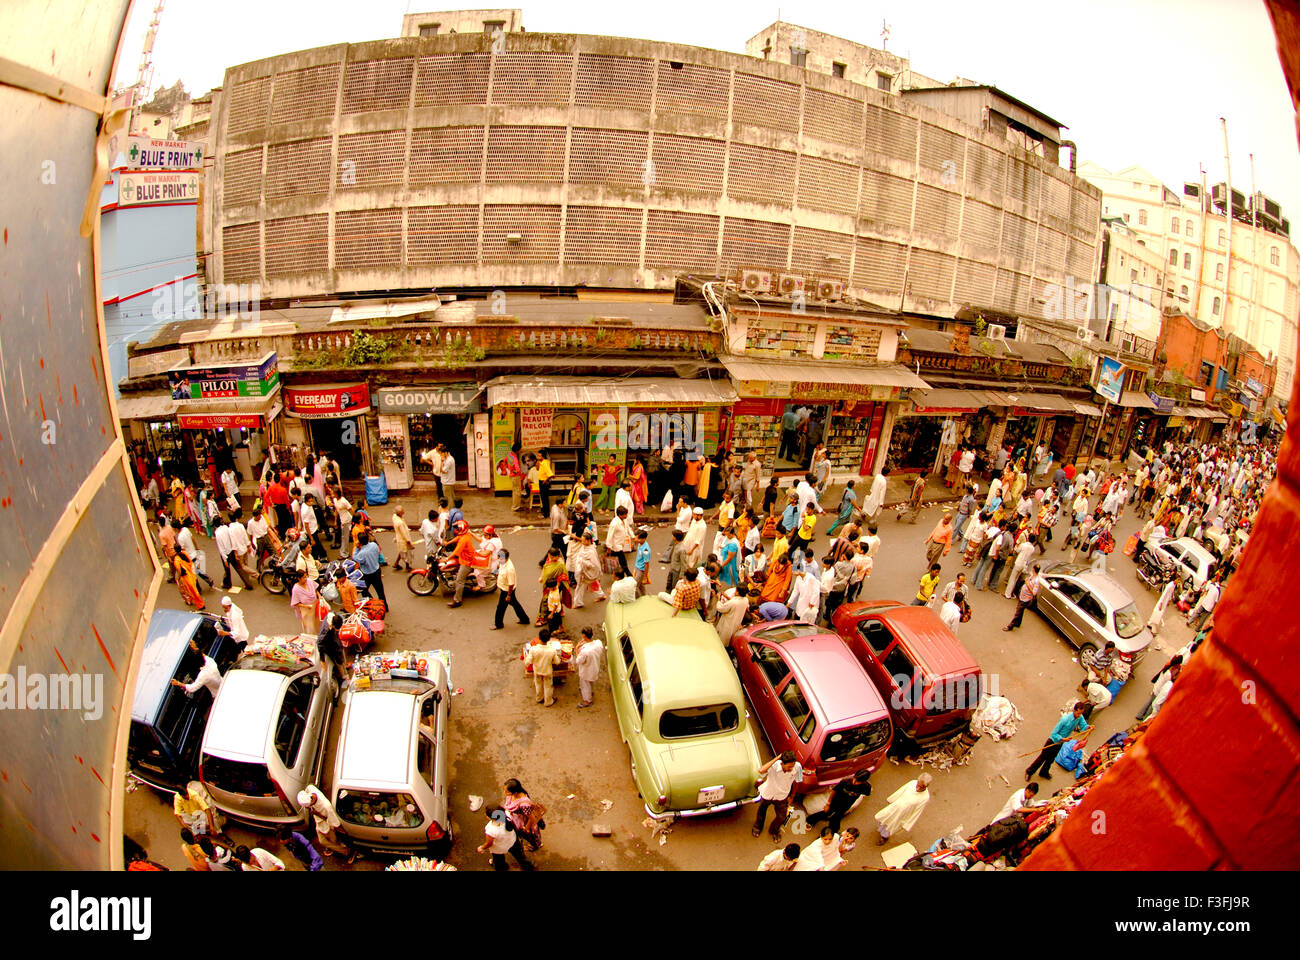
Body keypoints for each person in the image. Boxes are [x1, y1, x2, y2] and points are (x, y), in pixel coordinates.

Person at [1025, 702, 1090, 780]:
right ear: (1074, 710)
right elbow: (1054, 734)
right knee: (1042, 758)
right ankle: (1029, 772)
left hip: (1060, 743)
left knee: (1051, 759)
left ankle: (1043, 772)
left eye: (1081, 714)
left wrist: (1088, 727)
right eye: (1078, 713)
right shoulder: (1065, 719)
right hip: (1052, 741)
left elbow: (1083, 726)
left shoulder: (1079, 717)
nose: (1079, 715)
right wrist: (1063, 739)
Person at [752, 751, 805, 841]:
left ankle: (774, 830)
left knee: (782, 817)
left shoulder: (798, 767)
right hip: (768, 794)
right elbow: (761, 770)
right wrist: (777, 758)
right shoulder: (775, 765)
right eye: (789, 767)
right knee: (762, 811)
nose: (791, 768)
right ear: (782, 763)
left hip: (782, 796)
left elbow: (797, 781)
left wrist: (792, 796)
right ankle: (758, 827)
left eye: (792, 766)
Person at [298, 784, 357, 863]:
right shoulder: (310, 789)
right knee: (326, 841)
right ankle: (337, 848)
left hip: (327, 823)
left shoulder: (326, 807)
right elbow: (308, 787)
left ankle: (348, 852)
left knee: (328, 841)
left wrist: (317, 814)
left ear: (311, 801)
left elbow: (335, 823)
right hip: (318, 822)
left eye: (308, 806)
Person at [806, 768, 871, 834]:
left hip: (846, 805)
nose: (854, 782)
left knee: (837, 817)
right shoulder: (846, 781)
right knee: (827, 812)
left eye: (858, 781)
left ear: (863, 782)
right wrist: (828, 804)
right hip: (835, 801)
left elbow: (867, 793)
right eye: (855, 779)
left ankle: (832, 831)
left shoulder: (866, 787)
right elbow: (834, 791)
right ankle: (810, 820)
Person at [873, 774, 932, 845]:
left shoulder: (925, 797)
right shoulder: (912, 783)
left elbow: (918, 811)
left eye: (921, 787)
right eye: (918, 785)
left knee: (891, 826)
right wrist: (891, 799)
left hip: (903, 814)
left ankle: (884, 837)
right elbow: (901, 791)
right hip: (895, 806)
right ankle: (881, 829)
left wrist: (908, 824)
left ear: (926, 786)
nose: (918, 788)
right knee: (884, 818)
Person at [478, 806, 534, 871]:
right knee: (520, 856)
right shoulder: (508, 815)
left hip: (500, 848)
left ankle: (503, 868)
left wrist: (482, 847)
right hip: (513, 840)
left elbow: (489, 843)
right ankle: (528, 867)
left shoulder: (491, 829)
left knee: (499, 861)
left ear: (489, 817)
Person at [503, 778, 546, 850]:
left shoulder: (524, 805)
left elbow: (531, 818)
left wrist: (526, 829)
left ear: (515, 792)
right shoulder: (513, 796)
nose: (505, 793)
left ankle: (535, 846)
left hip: (523, 822)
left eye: (507, 792)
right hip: (517, 818)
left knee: (531, 837)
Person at [1003, 562, 1042, 631]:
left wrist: (1027, 584)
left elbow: (1034, 592)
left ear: (1033, 569)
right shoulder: (1032, 576)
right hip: (1023, 596)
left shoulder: (1036, 580)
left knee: (1018, 612)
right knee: (1020, 610)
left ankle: (1010, 626)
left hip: (1026, 599)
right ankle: (1018, 623)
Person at [525, 632, 561, 706]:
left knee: (538, 685)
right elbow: (557, 662)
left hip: (537, 671)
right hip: (547, 672)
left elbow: (527, 662)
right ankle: (548, 701)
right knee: (548, 686)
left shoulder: (533, 649)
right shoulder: (552, 650)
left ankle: (539, 698)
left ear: (539, 638)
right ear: (549, 639)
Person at [352, 530, 386, 604]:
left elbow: (355, 557)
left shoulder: (362, 553)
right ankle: (384, 606)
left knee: (364, 591)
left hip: (367, 574)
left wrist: (356, 548)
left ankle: (372, 603)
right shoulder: (374, 545)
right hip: (376, 570)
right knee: (380, 591)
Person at [575, 626, 604, 708]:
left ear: (584, 636)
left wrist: (577, 649)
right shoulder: (598, 643)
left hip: (586, 671)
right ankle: (590, 692)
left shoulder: (585, 651)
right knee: (590, 682)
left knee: (585, 685)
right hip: (594, 667)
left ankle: (587, 701)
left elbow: (578, 661)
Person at [605, 505, 635, 577]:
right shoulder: (614, 523)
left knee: (616, 563)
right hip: (616, 546)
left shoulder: (624, 520)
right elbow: (610, 536)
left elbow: (628, 529)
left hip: (621, 544)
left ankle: (618, 575)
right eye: (625, 514)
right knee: (623, 563)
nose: (626, 515)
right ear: (620, 515)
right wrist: (609, 547)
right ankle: (629, 576)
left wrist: (633, 537)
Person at [290, 568, 319, 634]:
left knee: (317, 625)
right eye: (303, 577)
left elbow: (315, 590)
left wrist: (320, 597)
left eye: (306, 577)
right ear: (299, 579)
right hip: (306, 611)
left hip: (314, 607)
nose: (305, 579)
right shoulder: (296, 589)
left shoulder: (309, 581)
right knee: (310, 628)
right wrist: (305, 606)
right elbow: (295, 603)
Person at [391, 505, 415, 571]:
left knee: (401, 551)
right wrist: (409, 543)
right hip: (403, 540)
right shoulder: (400, 523)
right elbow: (404, 534)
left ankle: (396, 563)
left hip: (399, 538)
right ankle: (407, 566)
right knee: (406, 553)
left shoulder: (394, 517)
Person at [632, 527, 652, 598]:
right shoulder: (640, 544)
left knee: (635, 586)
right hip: (637, 567)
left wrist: (645, 576)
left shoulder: (646, 550)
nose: (635, 539)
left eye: (637, 538)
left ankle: (638, 598)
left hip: (641, 570)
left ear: (643, 539)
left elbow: (647, 564)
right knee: (640, 585)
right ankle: (644, 596)